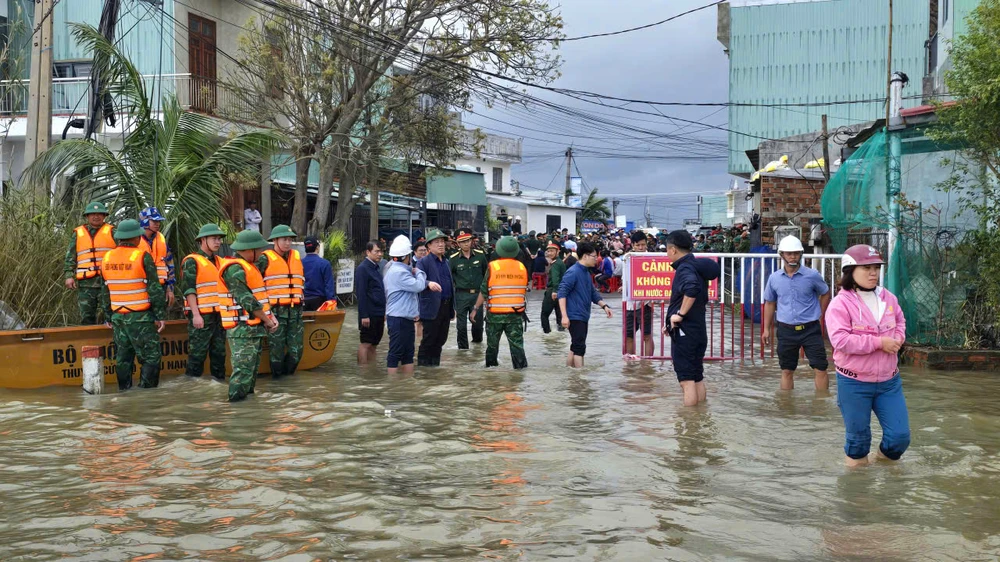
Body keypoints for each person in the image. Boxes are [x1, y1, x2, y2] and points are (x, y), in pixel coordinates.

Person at [825, 245, 909, 467]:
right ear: (850, 270)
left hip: (889, 382)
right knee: (858, 443)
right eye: (867, 268)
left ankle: (881, 464)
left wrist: (899, 337)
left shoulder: (888, 298)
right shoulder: (840, 304)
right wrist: (879, 342)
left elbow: (900, 321)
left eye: (876, 268)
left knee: (899, 438)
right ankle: (858, 495)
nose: (874, 273)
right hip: (854, 382)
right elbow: (840, 340)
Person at [99, 219, 167, 390]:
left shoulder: (107, 258)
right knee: (151, 356)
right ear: (136, 237)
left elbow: (104, 291)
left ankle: (124, 391)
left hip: (118, 317)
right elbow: (154, 289)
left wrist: (108, 316)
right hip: (140, 318)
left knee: (123, 358)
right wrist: (160, 316)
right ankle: (146, 393)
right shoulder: (142, 256)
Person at [762, 236, 831, 391]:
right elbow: (770, 303)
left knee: (820, 367)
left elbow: (826, 293)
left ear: (801, 254)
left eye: (796, 253)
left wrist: (820, 315)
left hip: (810, 329)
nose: (792, 256)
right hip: (786, 330)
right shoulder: (774, 278)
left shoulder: (812, 275)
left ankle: (821, 406)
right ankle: (786, 410)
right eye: (789, 253)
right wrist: (766, 329)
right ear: (782, 255)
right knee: (786, 370)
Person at [219, 231, 279, 401]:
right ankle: (236, 414)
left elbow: (260, 298)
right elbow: (248, 301)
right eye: (258, 249)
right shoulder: (234, 269)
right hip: (242, 330)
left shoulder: (249, 267)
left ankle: (248, 413)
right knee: (242, 373)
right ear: (247, 250)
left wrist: (270, 317)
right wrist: (268, 320)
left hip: (254, 328)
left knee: (250, 374)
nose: (261, 253)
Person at [663, 230, 721, 406]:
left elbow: (692, 289)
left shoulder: (685, 268)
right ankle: (701, 419)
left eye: (667, 250)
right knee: (696, 377)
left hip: (685, 332)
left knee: (686, 380)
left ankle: (690, 427)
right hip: (697, 331)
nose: (667, 253)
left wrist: (679, 316)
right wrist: (670, 323)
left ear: (673, 250)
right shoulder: (695, 266)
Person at [384, 235, 441, 375]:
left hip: (405, 317)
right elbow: (419, 286)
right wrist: (420, 272)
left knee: (408, 352)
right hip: (398, 318)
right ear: (406, 256)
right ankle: (393, 382)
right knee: (396, 351)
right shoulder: (399, 272)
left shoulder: (397, 268)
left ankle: (407, 382)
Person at [473, 236, 529, 369]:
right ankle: (520, 375)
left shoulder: (493, 266)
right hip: (515, 315)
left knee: (492, 347)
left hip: (495, 316)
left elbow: (484, 291)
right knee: (517, 347)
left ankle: (491, 375)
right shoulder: (522, 267)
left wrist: (475, 308)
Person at [180, 223, 227, 381]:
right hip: (202, 317)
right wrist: (196, 314)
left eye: (219, 239)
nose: (218, 242)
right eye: (214, 238)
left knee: (219, 356)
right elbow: (189, 290)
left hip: (219, 316)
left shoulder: (221, 261)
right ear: (202, 240)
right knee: (197, 357)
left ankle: (219, 388)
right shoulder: (192, 261)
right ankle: (192, 389)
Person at [257, 224, 305, 378]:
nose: (288, 243)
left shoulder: (296, 256)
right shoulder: (265, 258)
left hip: (295, 312)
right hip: (276, 312)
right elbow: (255, 284)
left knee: (296, 351)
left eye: (290, 240)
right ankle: (278, 383)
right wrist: (265, 313)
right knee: (276, 351)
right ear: (275, 240)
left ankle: (288, 380)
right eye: (284, 239)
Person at [558, 242, 613, 368]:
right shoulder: (573, 272)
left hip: (582, 315)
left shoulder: (586, 273)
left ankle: (570, 373)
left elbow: (593, 293)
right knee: (579, 347)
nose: (596, 260)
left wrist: (604, 306)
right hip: (574, 315)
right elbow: (562, 293)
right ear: (585, 256)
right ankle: (580, 378)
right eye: (594, 256)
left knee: (575, 345)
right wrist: (564, 316)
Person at [65, 201, 115, 325]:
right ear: (87, 217)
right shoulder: (78, 233)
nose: (96, 216)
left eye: (99, 214)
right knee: (86, 316)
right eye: (92, 214)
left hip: (108, 282)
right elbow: (70, 256)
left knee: (111, 315)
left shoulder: (113, 232)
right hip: (86, 284)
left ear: (104, 216)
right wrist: (68, 276)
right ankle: (88, 342)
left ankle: (113, 342)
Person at [416, 229, 455, 366]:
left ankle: (434, 367)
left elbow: (450, 284)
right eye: (437, 242)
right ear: (429, 246)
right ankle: (423, 368)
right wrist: (428, 284)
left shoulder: (446, 262)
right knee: (429, 340)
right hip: (431, 307)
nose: (441, 245)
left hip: (446, 305)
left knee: (441, 340)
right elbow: (417, 281)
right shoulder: (423, 262)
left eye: (442, 242)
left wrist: (452, 308)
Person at [449, 228, 487, 350]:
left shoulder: (480, 256)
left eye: (468, 241)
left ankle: (477, 349)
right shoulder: (453, 259)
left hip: (477, 295)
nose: (466, 244)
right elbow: (450, 279)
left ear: (471, 241)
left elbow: (486, 274)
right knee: (461, 326)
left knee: (478, 324)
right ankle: (463, 350)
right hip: (461, 295)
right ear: (458, 244)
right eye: (462, 242)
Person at [355, 240, 386, 365]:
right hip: (369, 313)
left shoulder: (376, 267)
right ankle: (363, 369)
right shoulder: (363, 268)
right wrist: (364, 315)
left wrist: (384, 312)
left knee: (374, 344)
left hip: (378, 312)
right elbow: (361, 293)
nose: (380, 254)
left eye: (381, 251)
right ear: (368, 252)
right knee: (366, 343)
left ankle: (372, 369)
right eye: (376, 251)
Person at [138, 207, 176, 307]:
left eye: (158, 221)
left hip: (161, 288)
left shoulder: (161, 239)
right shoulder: (135, 240)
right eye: (154, 221)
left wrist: (170, 288)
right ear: (144, 221)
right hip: (140, 288)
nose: (157, 223)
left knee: (160, 319)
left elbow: (170, 266)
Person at [625, 231, 654, 356]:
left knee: (646, 335)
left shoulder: (652, 258)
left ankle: (648, 363)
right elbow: (626, 277)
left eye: (643, 245)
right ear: (633, 245)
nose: (641, 248)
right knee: (629, 335)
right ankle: (631, 362)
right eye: (638, 245)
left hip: (645, 303)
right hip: (629, 303)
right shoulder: (627, 257)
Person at [302, 236, 336, 311]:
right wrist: (332, 301)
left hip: (302, 302)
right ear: (317, 247)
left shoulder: (299, 264)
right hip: (320, 303)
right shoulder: (325, 264)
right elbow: (329, 285)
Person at [540, 241, 565, 333]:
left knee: (544, 314)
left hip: (552, 291)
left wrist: (554, 290)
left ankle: (547, 333)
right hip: (561, 292)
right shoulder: (560, 262)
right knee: (559, 314)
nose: (550, 253)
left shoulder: (556, 264)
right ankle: (561, 332)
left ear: (557, 252)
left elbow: (555, 278)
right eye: (548, 251)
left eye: (552, 251)